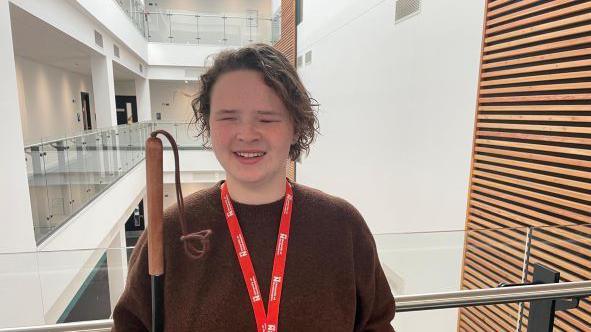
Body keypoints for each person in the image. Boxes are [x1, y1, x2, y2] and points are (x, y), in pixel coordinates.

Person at [112, 43, 395, 331]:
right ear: (209, 125)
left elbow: (377, 323)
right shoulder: (171, 232)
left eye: (266, 118)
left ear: (296, 126)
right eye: (228, 117)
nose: (247, 134)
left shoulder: (342, 227)